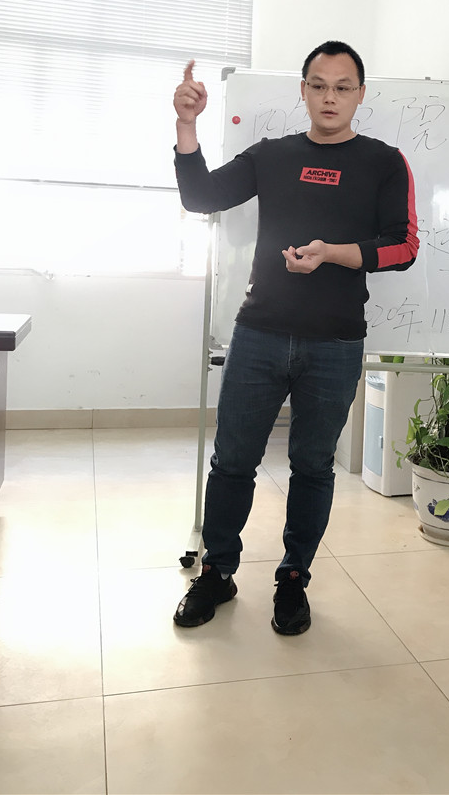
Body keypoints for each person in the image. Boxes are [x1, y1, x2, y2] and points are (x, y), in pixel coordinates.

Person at [171, 41, 418, 635]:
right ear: (303, 91)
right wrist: (186, 126)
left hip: (335, 343)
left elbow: (404, 247)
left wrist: (334, 253)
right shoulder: (272, 155)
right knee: (233, 462)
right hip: (259, 333)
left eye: (342, 87)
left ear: (360, 94)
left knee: (312, 466)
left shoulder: (385, 162)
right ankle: (217, 572)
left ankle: (293, 579)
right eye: (319, 85)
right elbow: (200, 197)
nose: (330, 97)